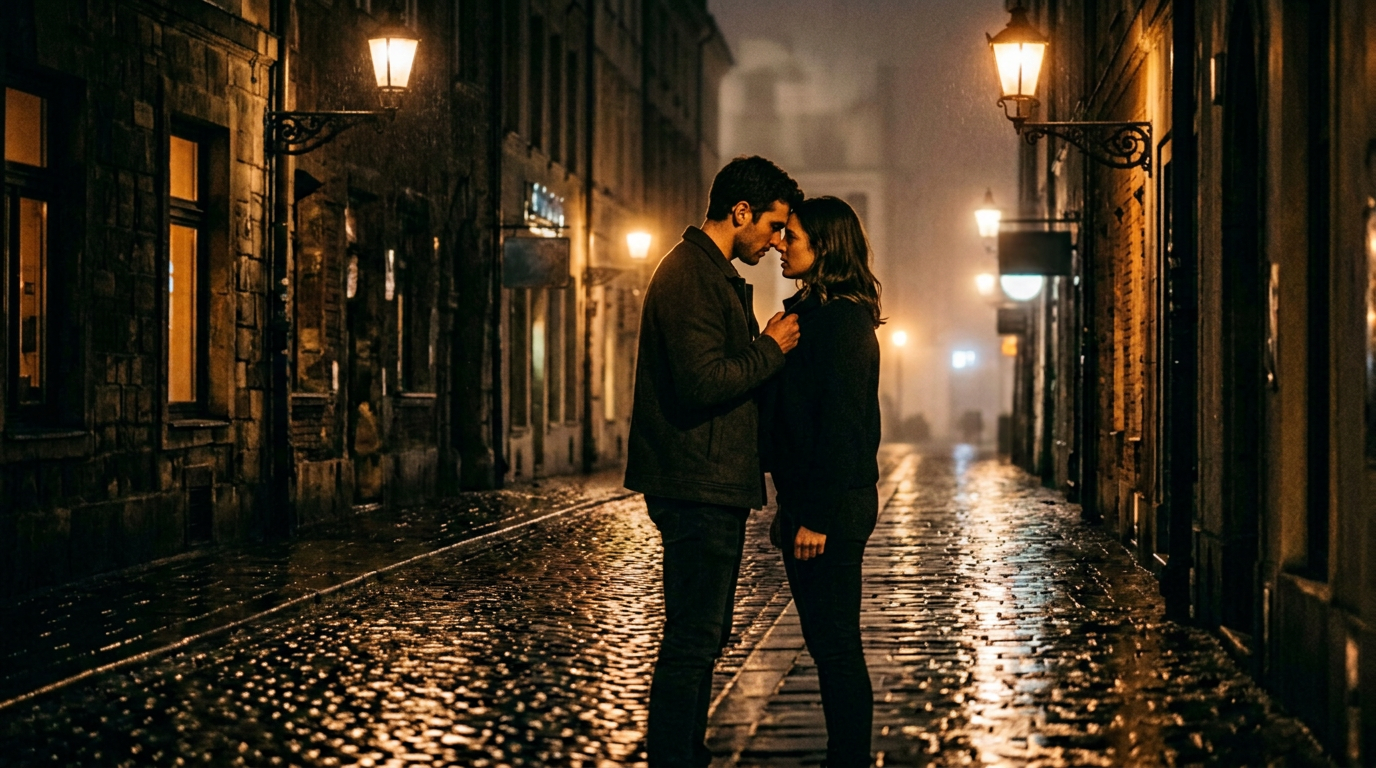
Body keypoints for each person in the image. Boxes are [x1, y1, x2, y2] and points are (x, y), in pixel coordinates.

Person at [625, 155, 804, 767]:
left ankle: (685, 751)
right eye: (774, 226)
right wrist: (769, 348)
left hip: (709, 479)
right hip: (696, 482)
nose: (776, 241)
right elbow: (703, 382)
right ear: (741, 212)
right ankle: (675, 757)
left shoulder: (708, 273)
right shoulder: (691, 277)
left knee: (703, 637)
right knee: (693, 638)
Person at [765, 196, 883, 767]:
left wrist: (814, 515)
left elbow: (838, 425)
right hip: (814, 502)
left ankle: (849, 759)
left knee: (835, 647)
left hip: (831, 506)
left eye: (794, 236)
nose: (782, 244)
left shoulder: (839, 321)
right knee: (828, 643)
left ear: (826, 247)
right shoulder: (821, 316)